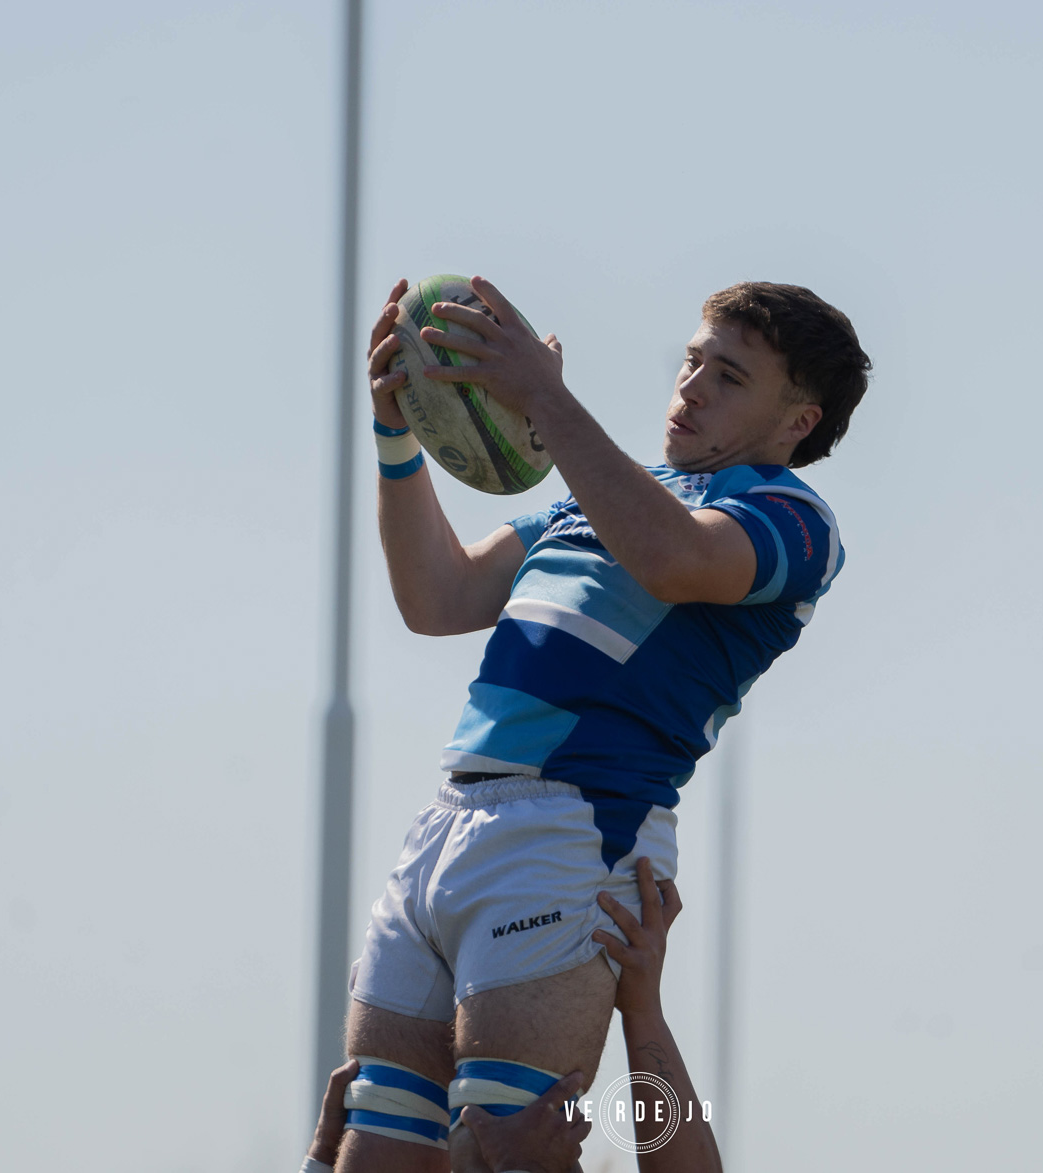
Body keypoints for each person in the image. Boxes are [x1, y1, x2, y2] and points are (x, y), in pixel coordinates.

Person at [338, 275, 869, 1173]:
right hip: (445, 825)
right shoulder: (605, 493)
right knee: (373, 1153)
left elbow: (673, 556)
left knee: (503, 1154)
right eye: (693, 361)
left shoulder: (794, 516)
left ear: (799, 421)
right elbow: (438, 595)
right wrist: (398, 433)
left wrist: (544, 398)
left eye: (730, 376)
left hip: (575, 830)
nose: (692, 386)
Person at [304, 861, 715, 1173]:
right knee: (489, 1131)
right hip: (564, 816)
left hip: (444, 838)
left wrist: (322, 1157)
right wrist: (643, 1012)